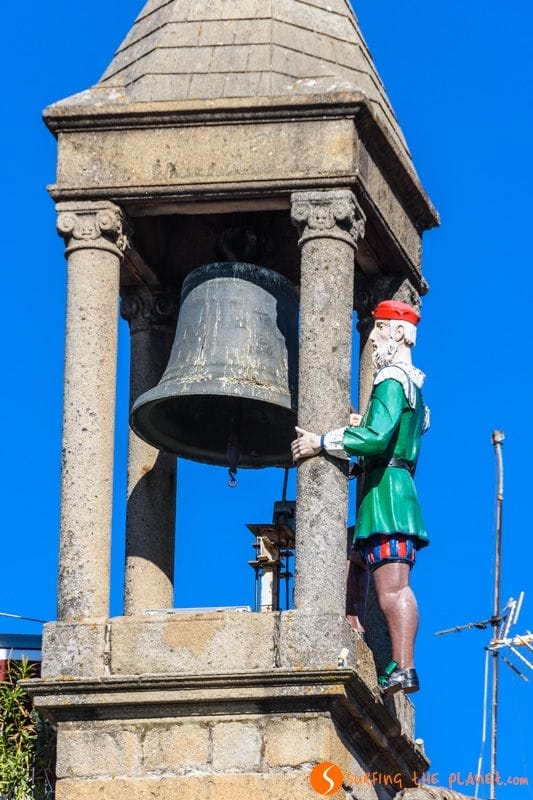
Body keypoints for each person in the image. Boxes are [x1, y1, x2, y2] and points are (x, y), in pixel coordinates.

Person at [291, 300, 429, 695]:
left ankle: (404, 668)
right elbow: (389, 435)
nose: (371, 340)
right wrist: (360, 423)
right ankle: (359, 631)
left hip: (388, 496)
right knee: (357, 560)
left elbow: (377, 438)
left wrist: (322, 442)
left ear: (399, 333)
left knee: (393, 588)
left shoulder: (391, 378)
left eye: (379, 330)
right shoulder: (414, 386)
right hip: (386, 491)